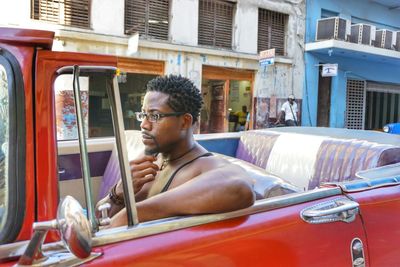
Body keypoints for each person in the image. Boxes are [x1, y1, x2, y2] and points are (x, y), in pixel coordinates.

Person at [96, 75, 255, 227]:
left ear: (185, 122)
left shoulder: (204, 165)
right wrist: (117, 194)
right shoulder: (150, 157)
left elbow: (239, 188)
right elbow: (97, 218)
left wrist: (131, 215)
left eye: (155, 116)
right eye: (143, 114)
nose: (144, 124)